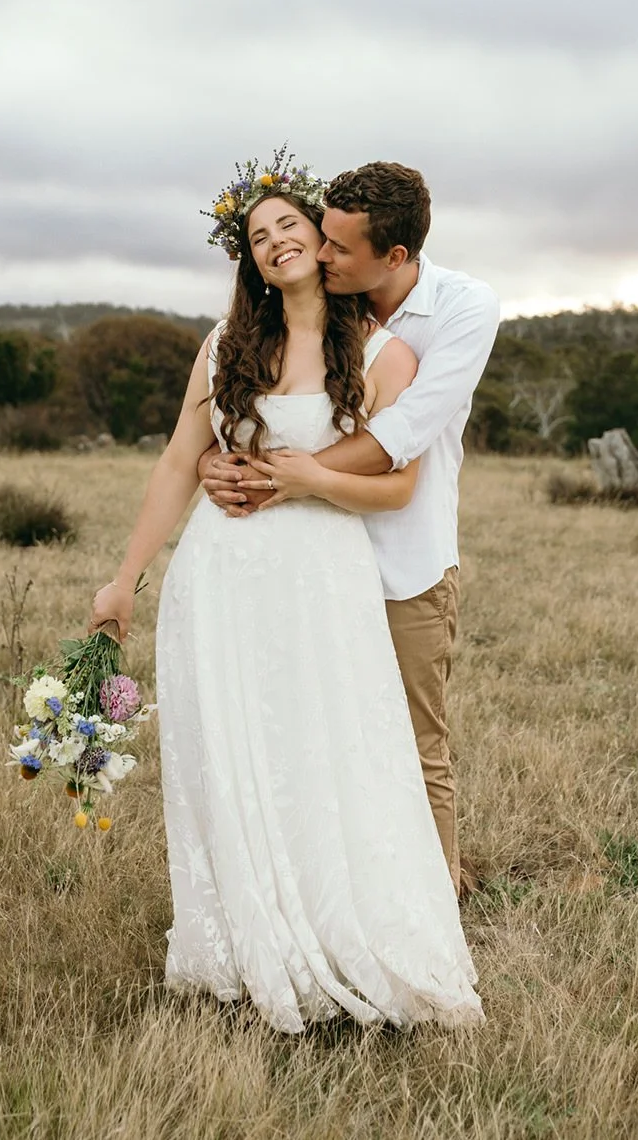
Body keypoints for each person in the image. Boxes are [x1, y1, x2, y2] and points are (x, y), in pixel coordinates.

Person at [91, 157, 482, 1034]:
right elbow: (173, 464)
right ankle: (245, 936)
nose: (274, 244)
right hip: (221, 581)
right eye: (256, 238)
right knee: (235, 757)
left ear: (321, 239)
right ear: (250, 262)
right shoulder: (225, 346)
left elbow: (395, 487)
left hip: (323, 582)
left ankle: (343, 932)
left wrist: (301, 482)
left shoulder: (387, 353)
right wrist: (125, 579)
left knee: (328, 752)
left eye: (287, 228)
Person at [200, 163, 500, 898]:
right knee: (320, 736)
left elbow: (403, 436)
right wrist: (221, 459)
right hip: (304, 563)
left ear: (392, 257)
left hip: (404, 561)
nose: (321, 254)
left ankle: (434, 907)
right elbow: (257, 405)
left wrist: (282, 479)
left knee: (414, 741)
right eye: (321, 236)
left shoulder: (462, 311)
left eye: (337, 247)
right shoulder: (323, 309)